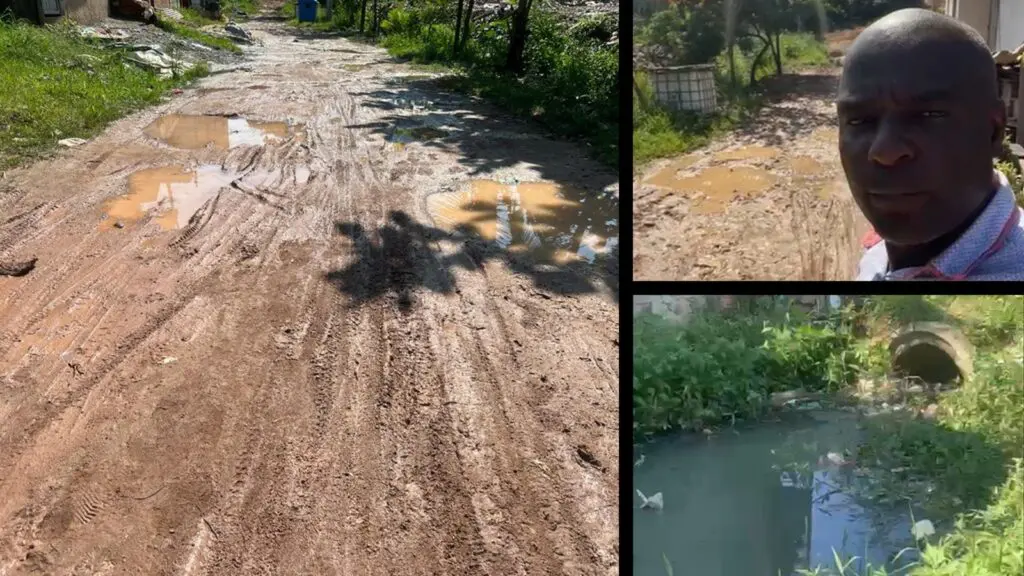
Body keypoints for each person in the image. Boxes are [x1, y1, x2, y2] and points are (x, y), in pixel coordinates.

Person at [837, 8, 1024, 280]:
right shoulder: (875, 259)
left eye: (928, 115)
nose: (884, 152)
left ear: (993, 131)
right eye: (860, 121)